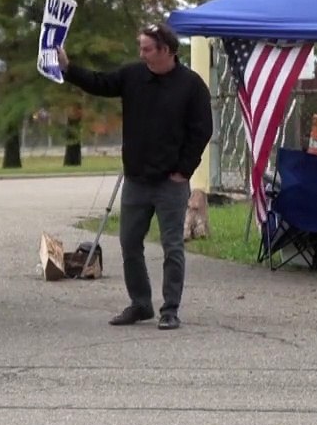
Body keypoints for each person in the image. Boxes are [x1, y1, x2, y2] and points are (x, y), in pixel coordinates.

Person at [57, 23, 212, 330]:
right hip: (137, 180)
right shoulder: (132, 75)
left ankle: (170, 309)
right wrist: (68, 68)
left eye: (147, 49)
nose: (141, 54)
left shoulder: (191, 85)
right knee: (129, 243)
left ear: (166, 50)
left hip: (170, 182)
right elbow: (100, 82)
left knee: (172, 246)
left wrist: (184, 169)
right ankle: (140, 303)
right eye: (140, 48)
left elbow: (202, 130)